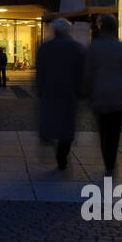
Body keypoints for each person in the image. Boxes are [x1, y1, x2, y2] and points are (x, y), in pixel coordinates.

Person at [83, 13, 122, 173]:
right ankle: (111, 161)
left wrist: (86, 90)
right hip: (118, 92)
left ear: (101, 28)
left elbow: (88, 73)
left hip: (99, 91)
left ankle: (106, 158)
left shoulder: (94, 47)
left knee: (103, 129)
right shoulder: (121, 47)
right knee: (114, 129)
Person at [36, 17, 84, 169]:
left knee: (51, 118)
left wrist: (40, 88)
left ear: (55, 31)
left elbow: (40, 71)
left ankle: (49, 137)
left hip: (50, 90)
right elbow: (81, 72)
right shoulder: (76, 47)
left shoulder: (45, 47)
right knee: (67, 123)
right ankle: (62, 153)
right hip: (69, 91)